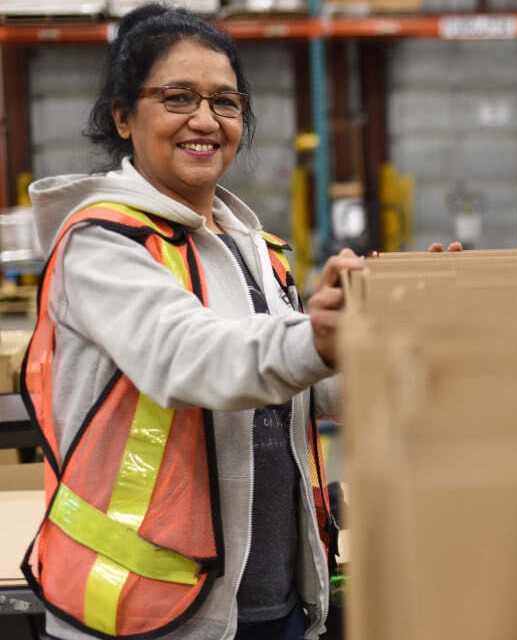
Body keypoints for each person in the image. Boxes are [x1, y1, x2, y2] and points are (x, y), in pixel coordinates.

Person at [18, 4, 457, 639]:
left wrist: (401, 338)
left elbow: (302, 391)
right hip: (151, 615)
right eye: (178, 97)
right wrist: (315, 337)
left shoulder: (259, 248)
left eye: (226, 102)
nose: (205, 119)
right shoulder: (102, 244)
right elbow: (190, 358)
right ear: (123, 116)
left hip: (271, 600)